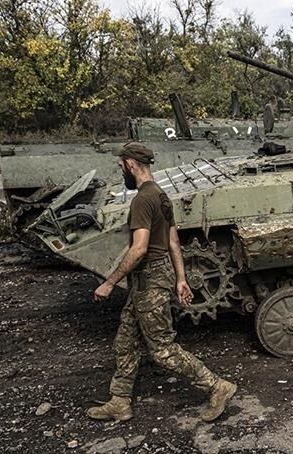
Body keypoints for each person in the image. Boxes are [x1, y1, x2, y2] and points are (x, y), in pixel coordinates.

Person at [87, 142, 236, 422]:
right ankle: (120, 401)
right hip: (152, 277)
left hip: (150, 279)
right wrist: (180, 279)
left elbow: (139, 248)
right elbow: (173, 242)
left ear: (131, 165)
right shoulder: (161, 195)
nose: (121, 171)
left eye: (122, 166)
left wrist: (110, 282)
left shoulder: (142, 200)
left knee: (163, 349)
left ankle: (217, 387)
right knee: (126, 340)